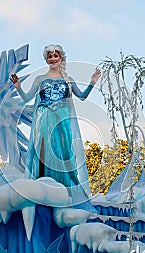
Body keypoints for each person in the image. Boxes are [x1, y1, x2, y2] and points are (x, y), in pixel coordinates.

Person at [10, 44, 100, 198]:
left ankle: (65, 188)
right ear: (47, 59)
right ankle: (42, 184)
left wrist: (92, 82)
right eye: (50, 56)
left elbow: (82, 96)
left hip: (62, 118)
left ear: (61, 58)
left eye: (55, 56)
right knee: (44, 149)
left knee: (63, 150)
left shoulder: (68, 80)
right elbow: (27, 98)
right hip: (44, 117)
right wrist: (18, 87)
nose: (53, 59)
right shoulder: (40, 79)